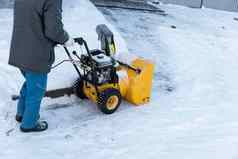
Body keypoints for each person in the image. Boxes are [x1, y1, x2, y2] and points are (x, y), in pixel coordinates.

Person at [8, 0, 74, 133]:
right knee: (37, 89)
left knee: (30, 83)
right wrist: (66, 39)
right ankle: (29, 123)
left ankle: (21, 113)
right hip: (35, 53)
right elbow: (53, 29)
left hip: (20, 48)